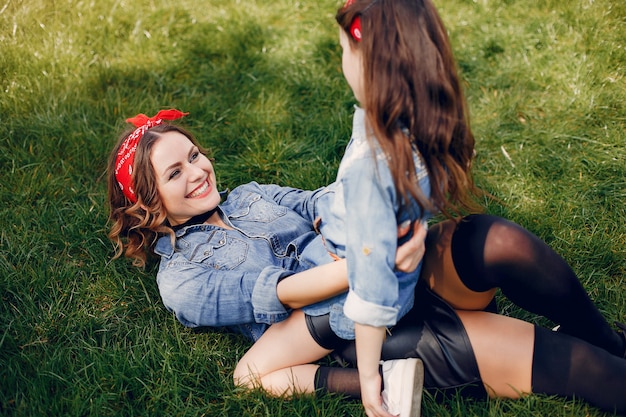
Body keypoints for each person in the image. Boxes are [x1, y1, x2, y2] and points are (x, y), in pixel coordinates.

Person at [107, 113, 626, 417]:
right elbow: (280, 294)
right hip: (359, 327)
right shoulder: (181, 279)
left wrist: (374, 194)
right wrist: (366, 259)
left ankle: (607, 336)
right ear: (147, 207)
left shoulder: (247, 196)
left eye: (195, 155)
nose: (198, 171)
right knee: (580, 369)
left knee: (497, 240)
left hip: (388, 265)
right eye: (175, 173)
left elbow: (320, 205)